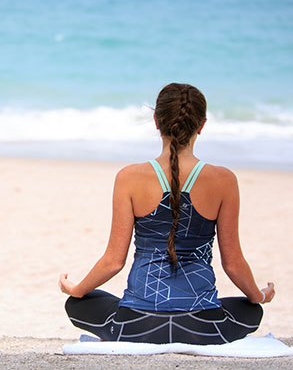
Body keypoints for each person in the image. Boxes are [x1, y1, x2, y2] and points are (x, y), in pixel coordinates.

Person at [59, 83, 275, 345]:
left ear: (156, 121)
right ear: (202, 125)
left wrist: (77, 289)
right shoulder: (224, 180)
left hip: (136, 325)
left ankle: (116, 327)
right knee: (250, 310)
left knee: (78, 304)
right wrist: (258, 296)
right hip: (204, 326)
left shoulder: (129, 178)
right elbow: (233, 264)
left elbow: (114, 261)